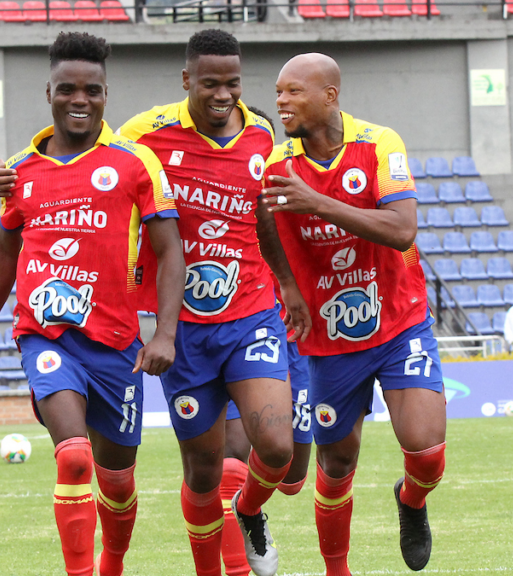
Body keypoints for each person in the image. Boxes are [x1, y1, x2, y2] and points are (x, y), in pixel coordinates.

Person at [0, 32, 186, 576]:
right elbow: (4, 252)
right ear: (49, 92)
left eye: (92, 90)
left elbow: (170, 248)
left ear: (106, 95)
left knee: (118, 479)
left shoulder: (135, 164)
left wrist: (165, 333)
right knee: (75, 455)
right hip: (47, 334)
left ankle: (113, 562)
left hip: (117, 344)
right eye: (67, 89)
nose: (79, 99)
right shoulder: (20, 171)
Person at [117, 30, 306, 576]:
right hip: (184, 329)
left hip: (251, 314)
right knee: (203, 472)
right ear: (186, 81)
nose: (224, 95)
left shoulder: (261, 134)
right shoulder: (145, 134)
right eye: (210, 84)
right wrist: (12, 172)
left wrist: (289, 285)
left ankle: (250, 512)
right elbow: (88, 156)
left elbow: (266, 217)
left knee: (275, 448)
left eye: (233, 83)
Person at [261, 53, 448, 574]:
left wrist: (318, 204)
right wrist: (286, 285)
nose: (281, 102)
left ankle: (411, 500)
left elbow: (401, 229)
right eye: (278, 92)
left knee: (427, 450)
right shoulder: (279, 167)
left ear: (329, 95)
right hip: (328, 340)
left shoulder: (379, 144)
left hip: (397, 323)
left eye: (294, 92)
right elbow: (264, 224)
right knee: (337, 462)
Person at [212, 104, 315, 576]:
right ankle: (239, 560)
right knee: (233, 453)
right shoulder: (220, 202)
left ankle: (249, 504)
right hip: (242, 331)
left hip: (295, 339)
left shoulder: (295, 194)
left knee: (292, 475)